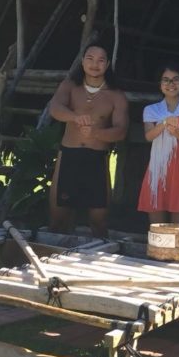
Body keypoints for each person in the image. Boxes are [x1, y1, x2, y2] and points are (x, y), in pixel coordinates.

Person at [48, 43, 129, 237]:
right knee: (58, 218)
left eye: (101, 60)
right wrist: (74, 117)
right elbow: (55, 108)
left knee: (99, 221)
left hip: (97, 158)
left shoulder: (116, 96)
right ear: (82, 61)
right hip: (69, 155)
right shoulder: (69, 86)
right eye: (90, 58)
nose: (95, 64)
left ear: (108, 64)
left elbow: (121, 131)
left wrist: (96, 133)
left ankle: (100, 259)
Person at [137, 64, 179, 224]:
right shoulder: (151, 110)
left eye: (175, 79)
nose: (171, 84)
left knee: (178, 229)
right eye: (165, 80)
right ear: (159, 84)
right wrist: (165, 123)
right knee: (156, 227)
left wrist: (176, 131)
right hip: (156, 170)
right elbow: (149, 136)